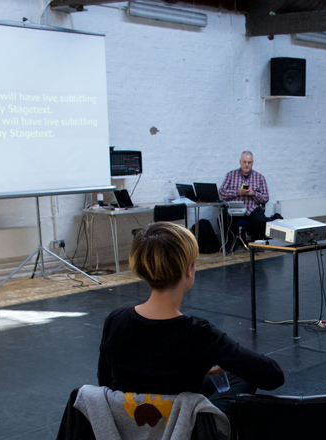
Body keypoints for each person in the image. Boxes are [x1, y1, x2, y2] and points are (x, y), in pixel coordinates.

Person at [98, 222, 284, 411]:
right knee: (241, 376)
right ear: (188, 270)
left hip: (129, 420)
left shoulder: (115, 320)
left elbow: (105, 385)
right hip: (181, 426)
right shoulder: (199, 333)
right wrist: (227, 360)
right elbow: (273, 376)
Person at [219, 151, 270, 243]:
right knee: (223, 219)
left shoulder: (259, 177)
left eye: (249, 162)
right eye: (244, 162)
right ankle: (230, 245)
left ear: (252, 163)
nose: (247, 165)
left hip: (252, 208)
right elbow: (222, 192)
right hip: (234, 208)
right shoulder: (230, 175)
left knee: (261, 220)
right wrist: (237, 192)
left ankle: (257, 245)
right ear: (240, 161)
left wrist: (253, 193)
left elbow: (266, 198)